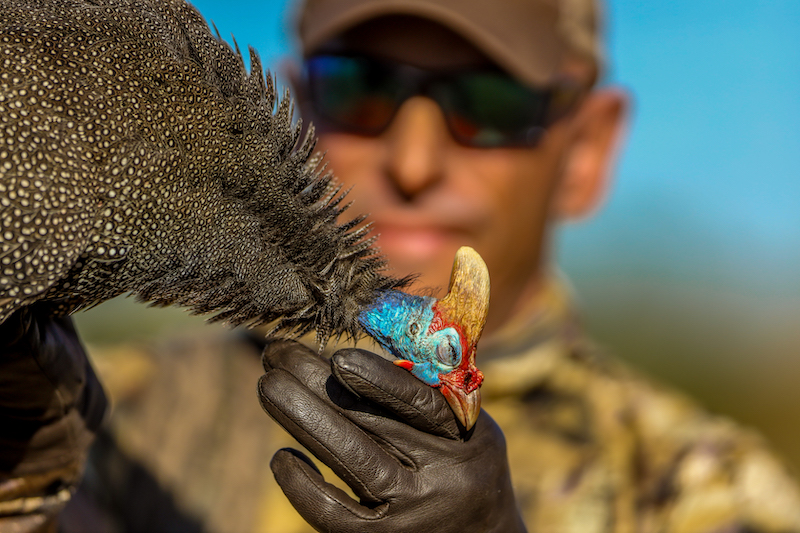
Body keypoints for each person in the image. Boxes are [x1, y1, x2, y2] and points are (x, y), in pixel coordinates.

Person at [2, 1, 800, 533]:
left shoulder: (703, 487)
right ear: (298, 103)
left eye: (488, 105)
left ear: (586, 149)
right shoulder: (104, 413)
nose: (413, 162)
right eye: (360, 86)